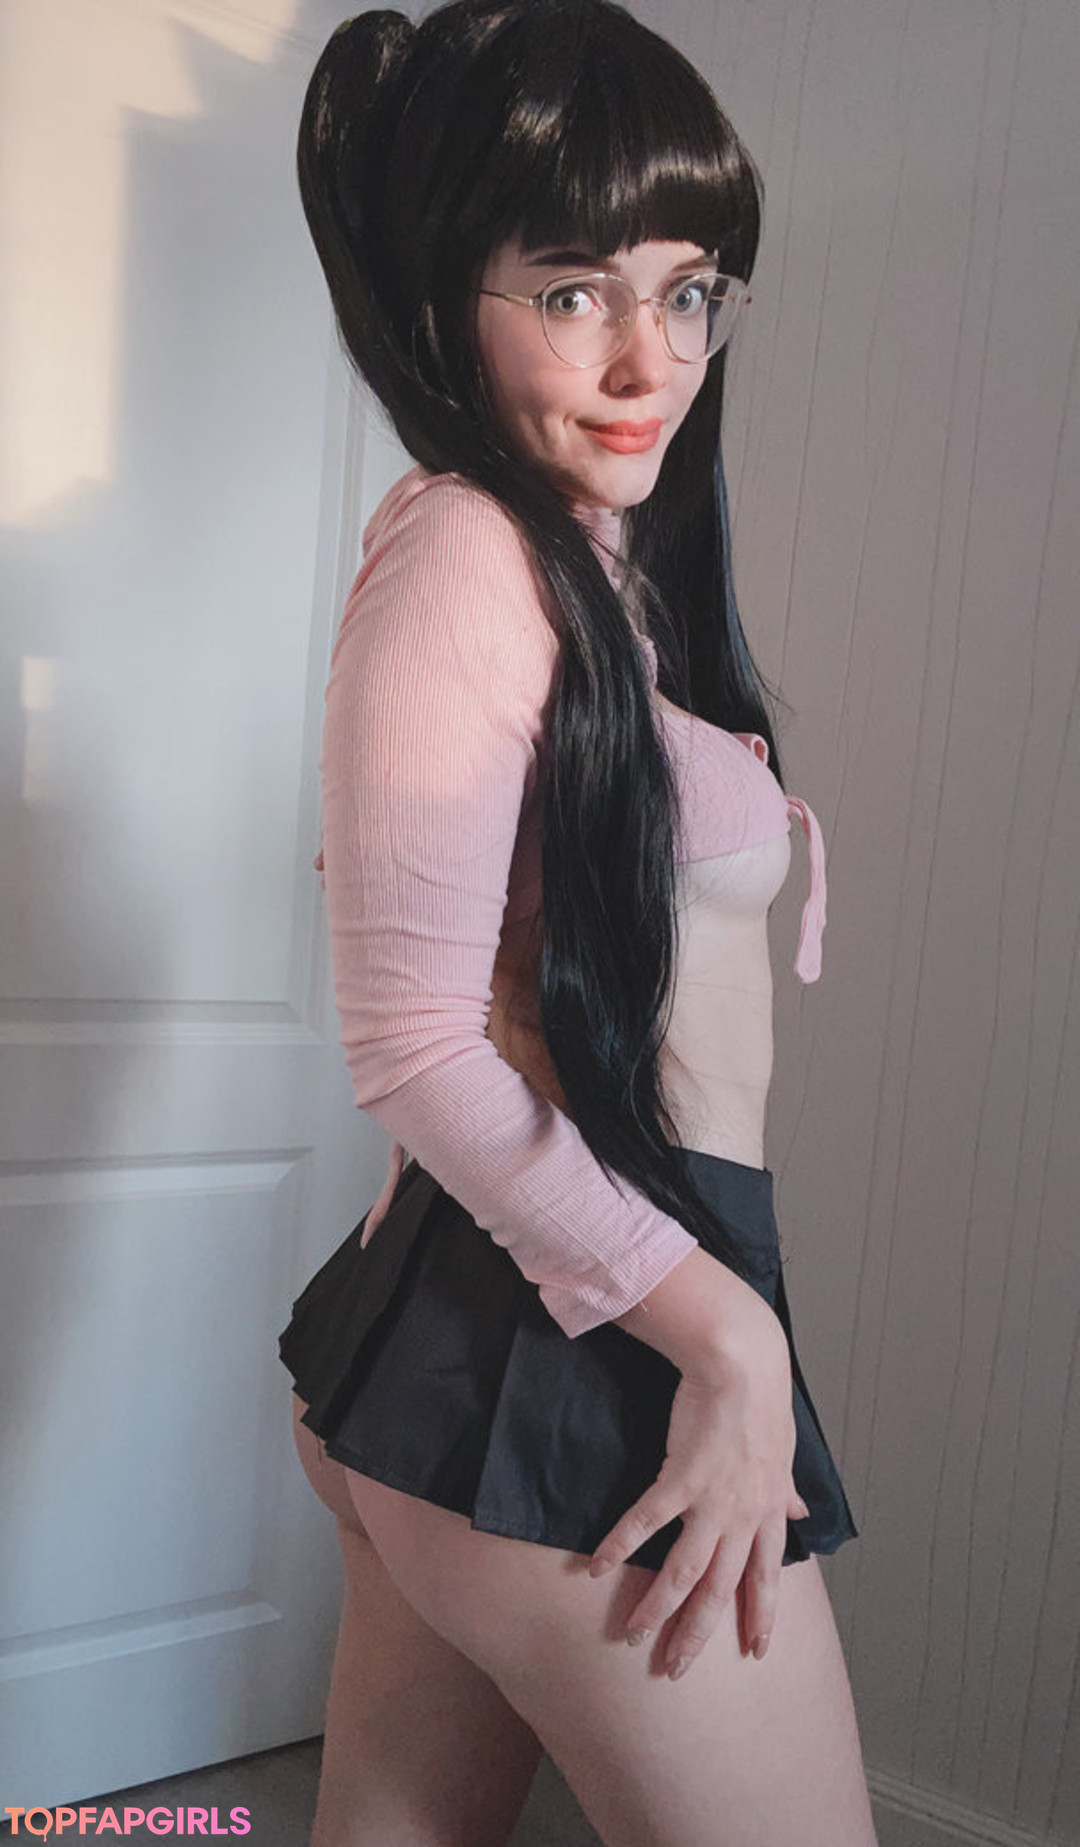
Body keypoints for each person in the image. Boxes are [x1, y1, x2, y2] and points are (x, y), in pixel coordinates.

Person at [278, 2, 879, 1842]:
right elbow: (412, 1040)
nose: (649, 358)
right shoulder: (469, 549)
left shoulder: (587, 560)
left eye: (689, 292)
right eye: (571, 291)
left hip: (522, 1322)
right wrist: (730, 1343)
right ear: (446, 301)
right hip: (587, 1346)